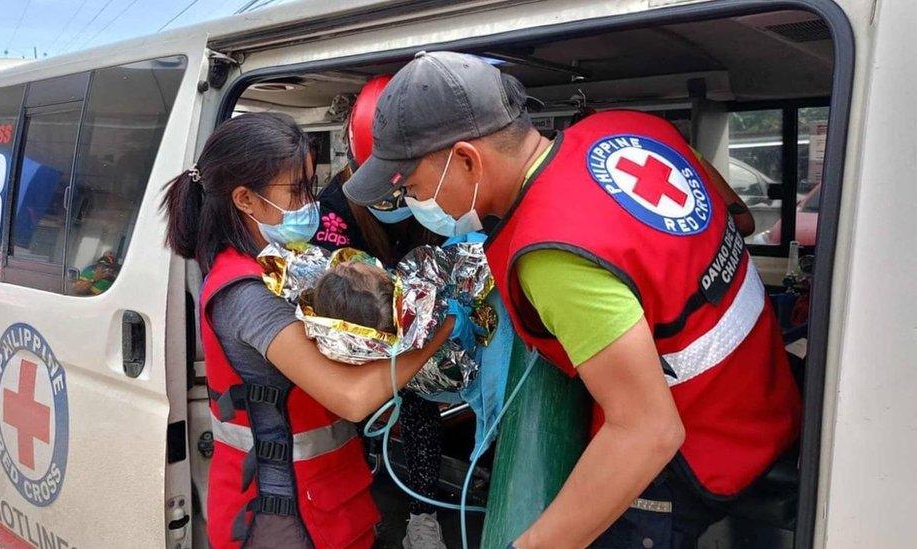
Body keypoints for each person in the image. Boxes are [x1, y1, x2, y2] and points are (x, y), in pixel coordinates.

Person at [343, 51, 801, 548]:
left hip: (698, 452)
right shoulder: (628, 128)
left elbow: (647, 432)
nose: (413, 201)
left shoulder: (552, 253)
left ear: (467, 159)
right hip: (767, 396)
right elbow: (736, 219)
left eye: (411, 185)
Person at [161, 112, 453, 549]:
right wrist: (441, 326)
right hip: (279, 515)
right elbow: (352, 399)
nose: (310, 203)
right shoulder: (244, 292)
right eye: (296, 191)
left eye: (310, 187)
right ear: (245, 199)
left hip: (327, 500)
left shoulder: (281, 266)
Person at [310, 75, 449, 549]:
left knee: (420, 403)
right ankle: (361, 496)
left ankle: (422, 515)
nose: (396, 200)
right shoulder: (334, 210)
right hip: (359, 323)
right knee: (357, 413)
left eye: (404, 186)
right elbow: (331, 286)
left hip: (420, 322)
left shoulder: (439, 196)